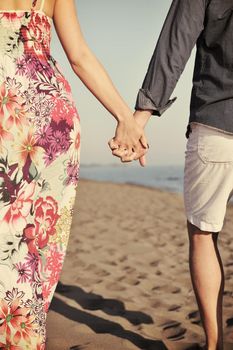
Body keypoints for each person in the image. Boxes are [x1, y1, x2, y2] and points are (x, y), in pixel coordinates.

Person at [0, 0, 148, 348]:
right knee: (36, 242)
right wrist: (125, 118)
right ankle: (22, 333)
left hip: (8, 111)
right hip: (51, 118)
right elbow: (78, 55)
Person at [109, 1, 233, 349]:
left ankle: (214, 345)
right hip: (216, 123)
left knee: (203, 235)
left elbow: (175, 44)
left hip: (218, 122)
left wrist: (138, 119)